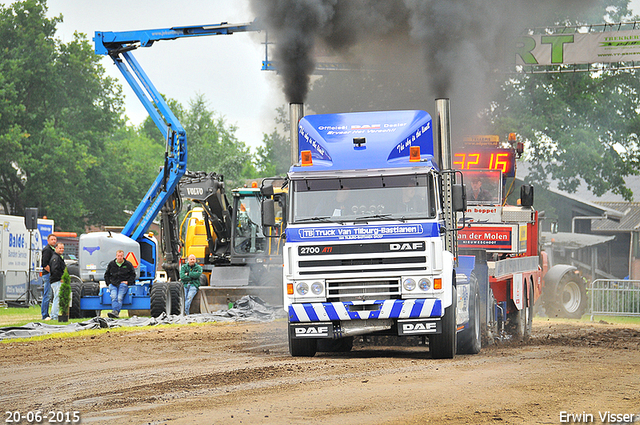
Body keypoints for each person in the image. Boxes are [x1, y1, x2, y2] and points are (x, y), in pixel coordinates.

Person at [104, 250, 136, 319]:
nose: (120, 257)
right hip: (113, 284)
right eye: (118, 256)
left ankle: (115, 312)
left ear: (123, 256)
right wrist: (108, 283)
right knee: (113, 297)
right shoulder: (111, 264)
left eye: (121, 256)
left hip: (123, 284)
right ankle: (115, 312)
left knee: (119, 297)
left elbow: (133, 275)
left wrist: (128, 282)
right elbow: (107, 275)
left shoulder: (128, 264)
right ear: (116, 256)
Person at [40, 234, 57, 320]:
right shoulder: (47, 250)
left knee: (50, 295)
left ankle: (48, 314)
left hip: (51, 274)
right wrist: (52, 272)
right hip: (47, 275)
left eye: (55, 239)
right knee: (47, 295)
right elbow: (44, 264)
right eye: (52, 239)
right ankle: (44, 315)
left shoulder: (53, 249)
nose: (54, 241)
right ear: (48, 240)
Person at [48, 243, 66, 321]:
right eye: (60, 248)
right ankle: (54, 316)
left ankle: (53, 314)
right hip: (56, 281)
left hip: (55, 281)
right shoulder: (56, 258)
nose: (61, 250)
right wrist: (60, 278)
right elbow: (55, 270)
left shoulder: (58, 257)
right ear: (56, 248)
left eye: (62, 248)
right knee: (57, 298)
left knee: (56, 298)